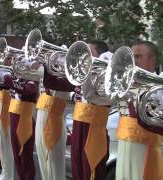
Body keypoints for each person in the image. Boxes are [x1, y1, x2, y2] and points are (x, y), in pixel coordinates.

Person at [115, 40, 163, 180]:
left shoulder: (161, 84)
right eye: (131, 57)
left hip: (145, 150)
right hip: (124, 146)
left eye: (137, 56)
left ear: (152, 60)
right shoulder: (126, 83)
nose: (133, 61)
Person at [70, 40, 112, 180]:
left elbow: (90, 95)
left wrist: (102, 68)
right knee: (77, 167)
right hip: (79, 125)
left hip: (94, 129)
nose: (85, 58)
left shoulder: (105, 78)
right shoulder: (82, 74)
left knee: (91, 170)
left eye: (90, 54)